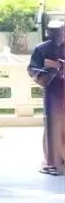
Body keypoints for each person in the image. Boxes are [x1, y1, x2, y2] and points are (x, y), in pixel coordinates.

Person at [28, 19, 65, 175]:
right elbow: (32, 69)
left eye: (60, 32)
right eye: (53, 32)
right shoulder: (41, 49)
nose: (57, 35)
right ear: (48, 32)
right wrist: (50, 72)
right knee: (53, 127)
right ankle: (52, 163)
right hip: (53, 93)